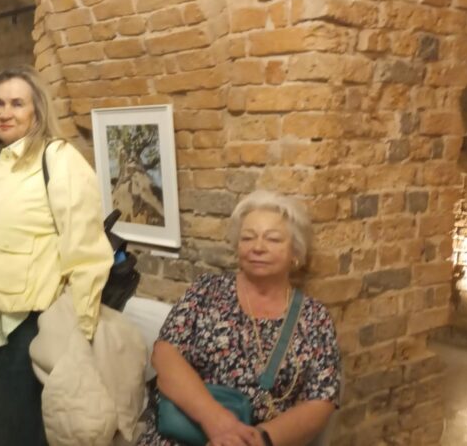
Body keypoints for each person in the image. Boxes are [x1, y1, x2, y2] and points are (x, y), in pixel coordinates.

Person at [0, 66, 114, 445]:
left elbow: (87, 254)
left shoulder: (58, 159)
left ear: (37, 111)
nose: (5, 113)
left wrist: (78, 338)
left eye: (17, 103)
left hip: (30, 330)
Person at [137, 190, 342, 446]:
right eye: (247, 238)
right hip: (180, 433)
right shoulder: (207, 290)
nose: (258, 247)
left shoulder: (315, 318)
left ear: (295, 252)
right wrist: (216, 421)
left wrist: (258, 439)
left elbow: (322, 398)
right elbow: (165, 355)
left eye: (273, 239)